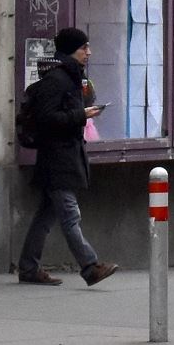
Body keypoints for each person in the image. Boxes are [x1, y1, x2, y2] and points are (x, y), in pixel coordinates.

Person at [18, 28, 118, 287]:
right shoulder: (58, 79)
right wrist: (81, 116)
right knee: (70, 216)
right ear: (72, 50)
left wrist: (82, 112)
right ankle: (90, 266)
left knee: (45, 216)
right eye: (84, 47)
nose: (89, 52)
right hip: (57, 158)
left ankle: (29, 268)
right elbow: (46, 118)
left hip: (63, 156)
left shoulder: (70, 78)